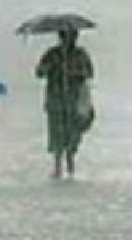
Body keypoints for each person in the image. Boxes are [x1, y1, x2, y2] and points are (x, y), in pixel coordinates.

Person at [35, 28, 94, 179]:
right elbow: (39, 72)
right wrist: (51, 67)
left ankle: (70, 165)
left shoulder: (81, 54)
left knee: (73, 134)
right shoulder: (52, 54)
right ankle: (58, 166)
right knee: (57, 134)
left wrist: (75, 72)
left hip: (73, 101)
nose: (70, 39)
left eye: (73, 36)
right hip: (56, 101)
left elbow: (90, 73)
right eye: (67, 36)